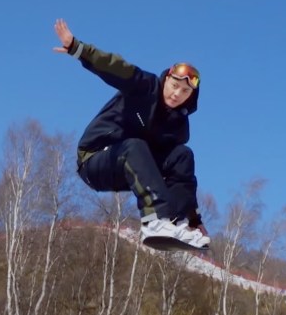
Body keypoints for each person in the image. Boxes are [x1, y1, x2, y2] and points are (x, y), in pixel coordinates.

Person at [52, 18, 211, 250]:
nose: (177, 94)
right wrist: (78, 48)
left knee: (182, 155)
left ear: (191, 96)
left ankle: (177, 223)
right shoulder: (144, 87)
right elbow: (115, 67)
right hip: (95, 159)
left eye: (185, 91)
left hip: (130, 168)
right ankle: (154, 220)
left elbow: (182, 178)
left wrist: (195, 219)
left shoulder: (178, 126)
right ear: (166, 79)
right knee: (134, 145)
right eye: (175, 85)